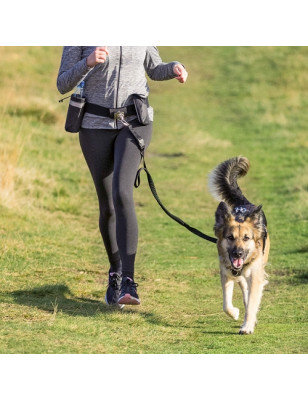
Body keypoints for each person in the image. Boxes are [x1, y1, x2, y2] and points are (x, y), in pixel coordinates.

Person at [57, 46, 188, 306]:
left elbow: (154, 68)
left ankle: (129, 281)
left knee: (122, 192)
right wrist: (88, 62)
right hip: (94, 125)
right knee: (107, 205)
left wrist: (173, 68)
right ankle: (115, 272)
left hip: (134, 122)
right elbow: (63, 84)